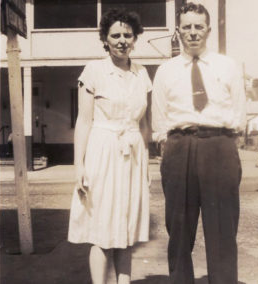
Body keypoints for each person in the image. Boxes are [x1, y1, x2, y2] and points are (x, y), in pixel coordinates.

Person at [151, 3, 246, 284]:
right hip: (179, 146)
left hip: (219, 145)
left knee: (222, 229)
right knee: (179, 229)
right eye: (187, 27)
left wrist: (225, 145)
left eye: (198, 27)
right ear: (179, 31)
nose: (193, 33)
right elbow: (159, 119)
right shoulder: (165, 71)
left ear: (208, 30)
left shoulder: (227, 66)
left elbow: (239, 112)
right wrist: (169, 148)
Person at [68, 9, 151, 284]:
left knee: (126, 229)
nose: (122, 40)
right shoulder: (94, 71)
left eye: (128, 35)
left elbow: (144, 125)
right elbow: (83, 121)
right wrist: (79, 166)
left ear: (135, 38)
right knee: (102, 230)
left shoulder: (142, 74)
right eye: (115, 35)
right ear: (105, 38)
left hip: (133, 154)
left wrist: (147, 162)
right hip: (102, 152)